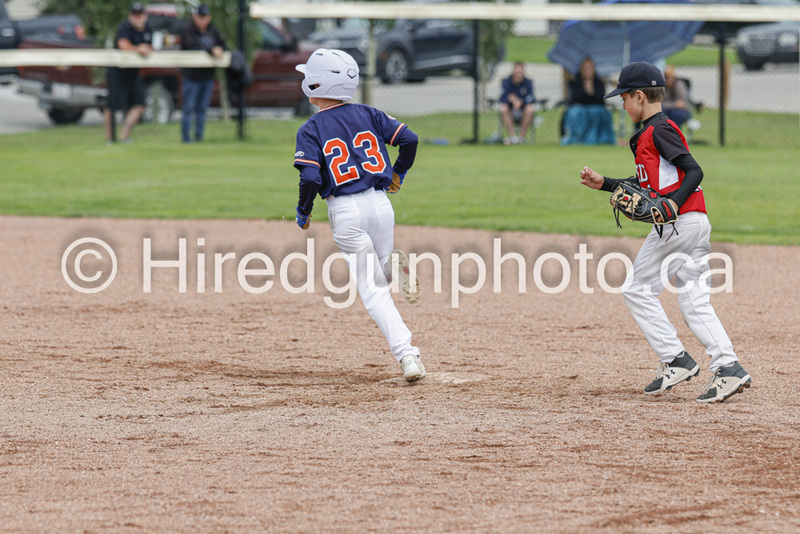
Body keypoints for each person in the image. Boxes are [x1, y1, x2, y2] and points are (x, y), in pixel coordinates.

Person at [579, 61, 751, 403]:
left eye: (624, 98)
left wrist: (672, 204)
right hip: (693, 222)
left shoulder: (659, 130)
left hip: (679, 224)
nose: (622, 104)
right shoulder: (650, 132)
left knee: (636, 289)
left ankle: (676, 359)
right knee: (693, 300)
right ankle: (728, 367)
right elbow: (650, 186)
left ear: (640, 96)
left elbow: (693, 170)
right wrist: (606, 184)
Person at [292, 48, 426, 382]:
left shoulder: (310, 128)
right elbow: (409, 139)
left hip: (346, 210)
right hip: (381, 204)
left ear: (316, 85)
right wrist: (398, 174)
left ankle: (408, 355)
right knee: (382, 272)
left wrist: (303, 211)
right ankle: (390, 264)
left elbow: (309, 178)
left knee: (373, 290)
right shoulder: (369, 112)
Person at [104, 2, 153, 144]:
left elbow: (150, 46)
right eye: (135, 15)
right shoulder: (125, 27)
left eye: (140, 14)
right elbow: (123, 44)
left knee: (140, 105)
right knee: (112, 105)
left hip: (133, 72)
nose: (137, 18)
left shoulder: (148, 29)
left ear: (145, 15)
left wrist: (146, 49)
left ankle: (124, 136)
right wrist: (138, 49)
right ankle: (109, 137)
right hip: (117, 71)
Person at [179, 4, 226, 143]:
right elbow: (193, 46)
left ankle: (199, 136)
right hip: (191, 76)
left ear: (209, 18)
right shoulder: (188, 30)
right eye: (199, 17)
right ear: (195, 17)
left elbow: (223, 44)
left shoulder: (212, 30)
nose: (202, 20)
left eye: (204, 17)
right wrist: (212, 50)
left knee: (202, 108)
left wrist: (219, 48)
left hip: (207, 76)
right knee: (188, 108)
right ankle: (186, 138)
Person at [561, 57, 615, 145]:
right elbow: (574, 99)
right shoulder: (575, 82)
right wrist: (584, 90)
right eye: (585, 68)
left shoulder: (598, 82)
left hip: (596, 108)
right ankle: (577, 138)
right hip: (579, 108)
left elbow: (601, 99)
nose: (587, 71)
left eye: (589, 68)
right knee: (576, 112)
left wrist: (592, 91)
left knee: (597, 112)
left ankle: (598, 138)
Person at [498, 62, 536, 145]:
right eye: (517, 72)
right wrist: (512, 100)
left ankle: (521, 138)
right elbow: (502, 98)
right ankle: (513, 137)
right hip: (510, 110)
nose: (519, 74)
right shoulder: (506, 82)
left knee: (530, 108)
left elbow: (531, 98)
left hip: (523, 111)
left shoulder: (528, 82)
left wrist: (520, 101)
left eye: (521, 72)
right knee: (503, 108)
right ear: (513, 71)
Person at [662, 64, 691, 129]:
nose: (666, 80)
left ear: (673, 77)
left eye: (668, 77)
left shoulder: (679, 85)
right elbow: (662, 104)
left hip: (679, 112)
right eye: (665, 77)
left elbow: (683, 104)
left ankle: (675, 134)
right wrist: (675, 104)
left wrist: (670, 105)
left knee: (675, 113)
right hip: (667, 111)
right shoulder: (663, 87)